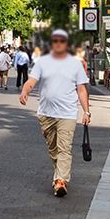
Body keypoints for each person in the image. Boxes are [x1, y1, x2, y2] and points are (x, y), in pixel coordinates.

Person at [20, 29, 91, 198]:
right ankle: (59, 176)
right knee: (53, 148)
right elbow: (32, 80)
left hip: (67, 113)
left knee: (64, 148)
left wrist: (86, 111)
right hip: (46, 113)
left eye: (62, 41)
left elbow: (81, 89)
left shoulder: (75, 64)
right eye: (55, 41)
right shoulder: (42, 62)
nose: (58, 44)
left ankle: (61, 180)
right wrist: (25, 91)